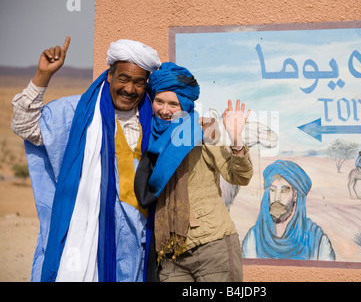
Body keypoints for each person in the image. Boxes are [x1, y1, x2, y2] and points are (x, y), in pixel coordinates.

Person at [11, 37, 161, 282]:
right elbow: (23, 125)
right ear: (110, 75)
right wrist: (42, 76)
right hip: (78, 241)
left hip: (132, 250)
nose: (130, 89)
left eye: (138, 82)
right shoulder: (75, 113)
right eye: (123, 78)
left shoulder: (153, 122)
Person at [135, 62, 253, 282]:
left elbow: (239, 176)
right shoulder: (147, 136)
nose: (165, 110)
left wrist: (236, 139)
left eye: (173, 104)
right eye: (159, 101)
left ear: (186, 104)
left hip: (212, 246)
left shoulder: (202, 129)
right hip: (170, 253)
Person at [241, 160, 335, 261]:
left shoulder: (318, 241)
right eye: (273, 190)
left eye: (284, 191)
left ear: (295, 195)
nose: (277, 198)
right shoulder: (254, 238)